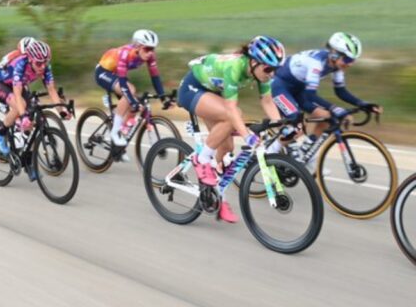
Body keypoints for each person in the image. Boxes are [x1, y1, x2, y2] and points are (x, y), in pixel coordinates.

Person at [177, 36, 285, 223]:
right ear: (253, 62)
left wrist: (282, 127)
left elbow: (267, 101)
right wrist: (247, 136)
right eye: (268, 69)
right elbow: (231, 109)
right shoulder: (235, 67)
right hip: (193, 88)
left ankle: (215, 193)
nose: (271, 74)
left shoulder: (261, 72)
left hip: (212, 92)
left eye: (275, 69)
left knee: (226, 147)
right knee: (233, 115)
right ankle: (201, 159)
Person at [270, 32, 381, 171]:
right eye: (347, 60)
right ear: (334, 54)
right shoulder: (316, 63)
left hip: (299, 89)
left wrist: (362, 104)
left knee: (326, 117)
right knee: (295, 121)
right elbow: (311, 96)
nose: (350, 64)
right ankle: (268, 154)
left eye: (353, 60)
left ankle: (307, 153)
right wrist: (335, 108)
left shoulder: (336, 66)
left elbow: (340, 91)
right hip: (280, 86)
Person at [0, 40, 70, 179]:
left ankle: (28, 162)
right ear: (30, 59)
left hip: (18, 85)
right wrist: (23, 115)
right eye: (39, 63)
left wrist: (62, 110)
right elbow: (18, 94)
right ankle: (0, 134)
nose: (42, 66)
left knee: (32, 121)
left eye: (45, 62)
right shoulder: (20, 65)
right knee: (20, 107)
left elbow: (51, 90)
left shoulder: (44, 67)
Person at [95, 29, 166, 153]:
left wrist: (163, 97)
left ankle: (118, 148)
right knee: (131, 92)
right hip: (103, 73)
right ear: (138, 46)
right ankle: (115, 132)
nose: (150, 53)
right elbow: (123, 83)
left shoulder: (150, 57)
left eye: (152, 49)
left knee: (134, 106)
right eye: (147, 49)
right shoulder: (125, 53)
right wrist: (132, 101)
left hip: (116, 75)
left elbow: (155, 77)